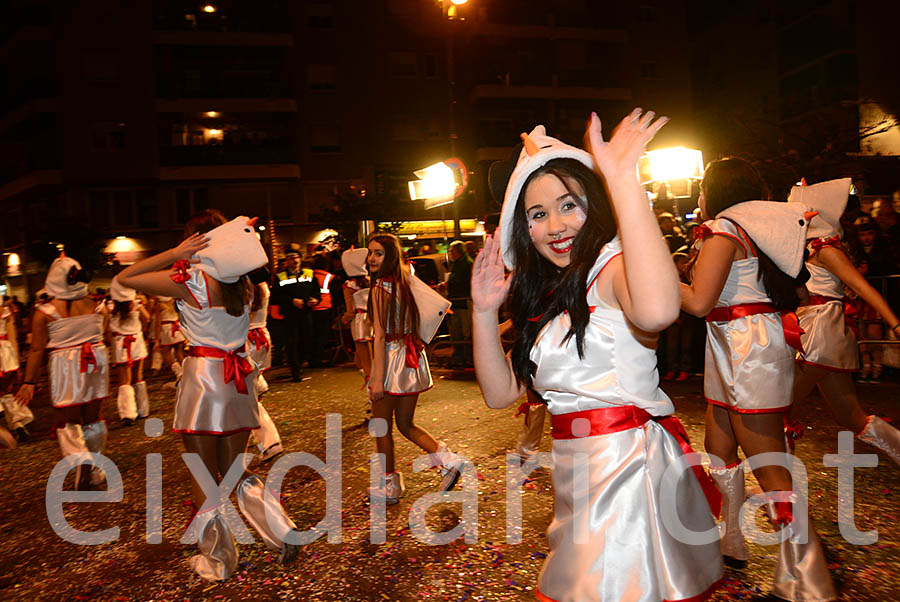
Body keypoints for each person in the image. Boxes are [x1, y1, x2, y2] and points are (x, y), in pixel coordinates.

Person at [472, 110, 723, 602]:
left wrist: (624, 180)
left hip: (627, 473)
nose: (555, 226)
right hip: (577, 476)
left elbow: (656, 311)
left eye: (570, 205)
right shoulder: (552, 291)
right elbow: (501, 395)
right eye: (538, 214)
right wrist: (482, 311)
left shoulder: (612, 265)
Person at [681, 157, 836, 600]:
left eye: (703, 186)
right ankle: (731, 542)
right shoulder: (752, 228)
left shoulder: (727, 230)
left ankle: (811, 581)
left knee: (770, 470)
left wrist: (645, 272)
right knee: (719, 446)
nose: (698, 194)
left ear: (718, 189)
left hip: (746, 346)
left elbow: (696, 302)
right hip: (734, 341)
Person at [117, 210, 301, 581]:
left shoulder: (192, 282)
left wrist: (176, 252)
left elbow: (126, 277)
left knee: (203, 475)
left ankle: (218, 561)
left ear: (198, 241)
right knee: (234, 470)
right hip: (238, 378)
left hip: (205, 379)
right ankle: (283, 531)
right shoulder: (243, 285)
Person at [788, 178, 900, 466]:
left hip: (818, 330)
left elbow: (862, 287)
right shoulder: (811, 248)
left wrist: (895, 323)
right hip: (816, 328)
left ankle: (780, 494)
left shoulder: (826, 250)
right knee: (851, 416)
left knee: (776, 407)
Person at [366, 232, 464, 503]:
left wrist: (377, 380)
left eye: (378, 253)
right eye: (370, 252)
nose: (372, 258)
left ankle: (390, 487)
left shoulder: (379, 289)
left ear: (390, 257)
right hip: (412, 356)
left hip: (393, 360)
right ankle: (448, 460)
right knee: (405, 424)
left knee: (382, 427)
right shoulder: (406, 281)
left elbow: (380, 337)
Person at [15, 256, 109, 490]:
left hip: (65, 365)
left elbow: (36, 349)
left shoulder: (44, 311)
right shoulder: (98, 305)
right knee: (93, 419)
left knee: (67, 421)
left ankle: (82, 463)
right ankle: (92, 468)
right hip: (95, 362)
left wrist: (29, 381)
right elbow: (103, 334)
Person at [247, 273, 283, 462]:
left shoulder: (242, 285)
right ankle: (257, 438)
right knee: (249, 392)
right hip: (262, 336)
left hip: (247, 341)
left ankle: (269, 441)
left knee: (246, 396)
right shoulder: (262, 285)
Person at [107, 277, 151, 425]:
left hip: (120, 343)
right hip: (136, 340)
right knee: (138, 376)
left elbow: (104, 326)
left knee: (124, 380)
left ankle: (128, 414)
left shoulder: (110, 307)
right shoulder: (136, 304)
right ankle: (142, 409)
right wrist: (141, 331)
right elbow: (147, 318)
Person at [274, 251, 320, 381]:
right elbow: (275, 297)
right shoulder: (281, 277)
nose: (294, 260)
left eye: (296, 257)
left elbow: (316, 291)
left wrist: (316, 300)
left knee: (306, 340)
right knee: (291, 342)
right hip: (290, 314)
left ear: (300, 259)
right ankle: (295, 370)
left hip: (306, 312)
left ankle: (300, 363)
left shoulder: (309, 274)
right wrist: (291, 301)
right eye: (290, 258)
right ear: (287, 261)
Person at [0, 291, 30, 442]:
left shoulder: (7, 311)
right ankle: (17, 424)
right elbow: (12, 337)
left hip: (5, 352)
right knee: (6, 392)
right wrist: (16, 361)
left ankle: (15, 424)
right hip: (5, 353)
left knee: (5, 392)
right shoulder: (6, 310)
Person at [341, 248, 373, 384]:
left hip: (359, 321)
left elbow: (350, 311)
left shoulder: (349, 285)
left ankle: (372, 389)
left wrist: (344, 319)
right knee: (373, 357)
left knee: (363, 360)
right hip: (373, 320)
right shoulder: (372, 281)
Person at [445, 240, 473, 367]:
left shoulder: (466, 264)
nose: (450, 253)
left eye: (452, 251)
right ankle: (460, 357)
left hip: (463, 302)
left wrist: (449, 284)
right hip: (456, 303)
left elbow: (461, 282)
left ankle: (467, 358)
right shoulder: (457, 264)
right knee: (457, 332)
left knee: (465, 332)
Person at [310, 254, 338, 368]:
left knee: (312, 335)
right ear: (327, 266)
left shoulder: (309, 276)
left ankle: (312, 358)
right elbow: (335, 295)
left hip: (311, 309)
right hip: (325, 308)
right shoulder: (330, 277)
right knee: (322, 336)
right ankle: (318, 359)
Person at [154, 295, 185, 387]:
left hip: (166, 329)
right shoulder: (174, 302)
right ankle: (187, 373)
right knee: (179, 353)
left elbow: (157, 323)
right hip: (176, 327)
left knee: (165, 353)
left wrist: (156, 339)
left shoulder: (159, 305)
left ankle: (179, 373)